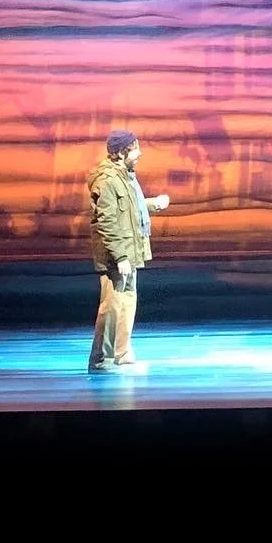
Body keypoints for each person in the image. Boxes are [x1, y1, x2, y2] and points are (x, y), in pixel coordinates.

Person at [86, 129, 170, 371]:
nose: (139, 153)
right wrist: (120, 255)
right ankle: (101, 358)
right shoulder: (107, 180)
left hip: (130, 250)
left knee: (127, 302)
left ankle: (121, 353)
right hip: (117, 254)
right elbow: (107, 221)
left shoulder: (125, 176)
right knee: (112, 306)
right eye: (135, 149)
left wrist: (152, 204)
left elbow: (130, 207)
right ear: (121, 153)